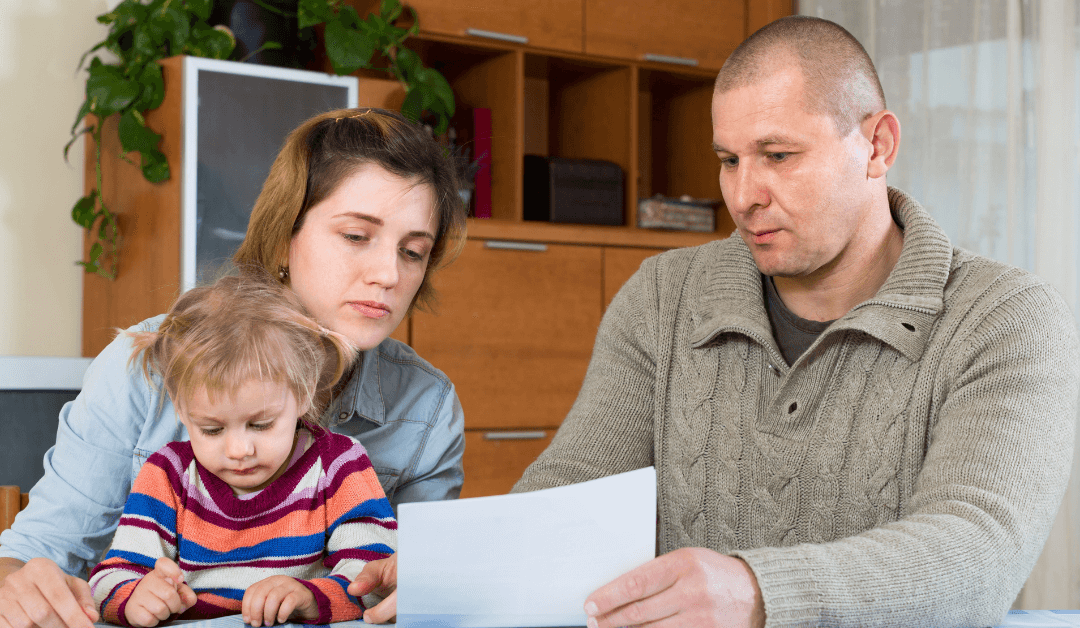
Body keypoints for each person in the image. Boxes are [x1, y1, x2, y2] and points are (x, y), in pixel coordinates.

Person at [510, 15, 1080, 628]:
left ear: (877, 146)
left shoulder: (1008, 318)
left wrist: (757, 592)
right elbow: (569, 492)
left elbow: (977, 551)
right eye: (729, 159)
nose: (742, 194)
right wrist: (471, 562)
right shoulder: (662, 297)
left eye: (778, 155)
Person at [0, 107, 465, 628]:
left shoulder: (427, 408)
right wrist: (16, 582)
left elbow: (414, 591)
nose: (388, 274)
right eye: (356, 236)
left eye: (413, 251)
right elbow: (34, 553)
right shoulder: (146, 364)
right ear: (285, 232)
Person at [90, 271, 396, 627]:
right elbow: (110, 577)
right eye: (212, 429)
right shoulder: (167, 474)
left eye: (261, 424)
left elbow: (376, 580)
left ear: (304, 392)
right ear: (180, 407)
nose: (238, 449)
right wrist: (135, 598)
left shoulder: (339, 464)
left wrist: (309, 598)